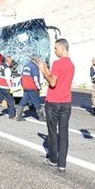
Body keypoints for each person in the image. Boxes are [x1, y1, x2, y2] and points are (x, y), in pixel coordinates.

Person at [39, 38, 75, 173]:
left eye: (56, 48)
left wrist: (43, 71)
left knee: (52, 132)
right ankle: (62, 164)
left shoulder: (57, 63)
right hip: (66, 102)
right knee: (64, 133)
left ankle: (53, 159)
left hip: (54, 102)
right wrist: (47, 70)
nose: (54, 51)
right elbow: (57, 78)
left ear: (62, 48)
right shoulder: (71, 65)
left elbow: (53, 83)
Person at [16, 54, 44, 121]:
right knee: (36, 102)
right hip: (32, 87)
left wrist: (23, 85)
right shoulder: (34, 67)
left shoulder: (26, 66)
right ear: (35, 60)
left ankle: (18, 116)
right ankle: (41, 117)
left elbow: (22, 77)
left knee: (23, 101)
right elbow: (35, 78)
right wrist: (39, 87)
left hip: (26, 87)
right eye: (38, 59)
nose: (39, 61)